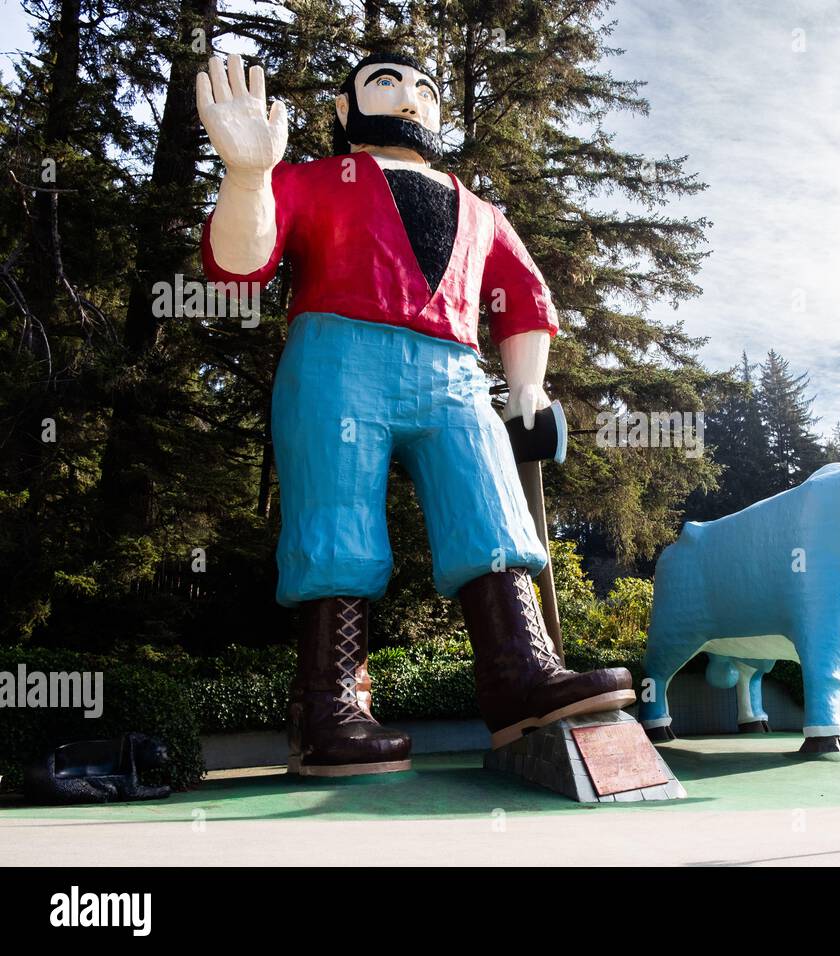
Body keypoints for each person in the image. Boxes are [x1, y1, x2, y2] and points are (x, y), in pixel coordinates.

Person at [197, 51, 633, 775]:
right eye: (385, 84)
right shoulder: (306, 180)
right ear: (344, 112)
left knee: (488, 500)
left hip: (456, 373)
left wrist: (527, 383)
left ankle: (519, 674)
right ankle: (329, 703)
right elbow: (242, 265)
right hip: (337, 357)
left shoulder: (481, 211)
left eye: (424, 90)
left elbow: (522, 296)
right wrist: (247, 177)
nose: (408, 100)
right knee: (336, 518)